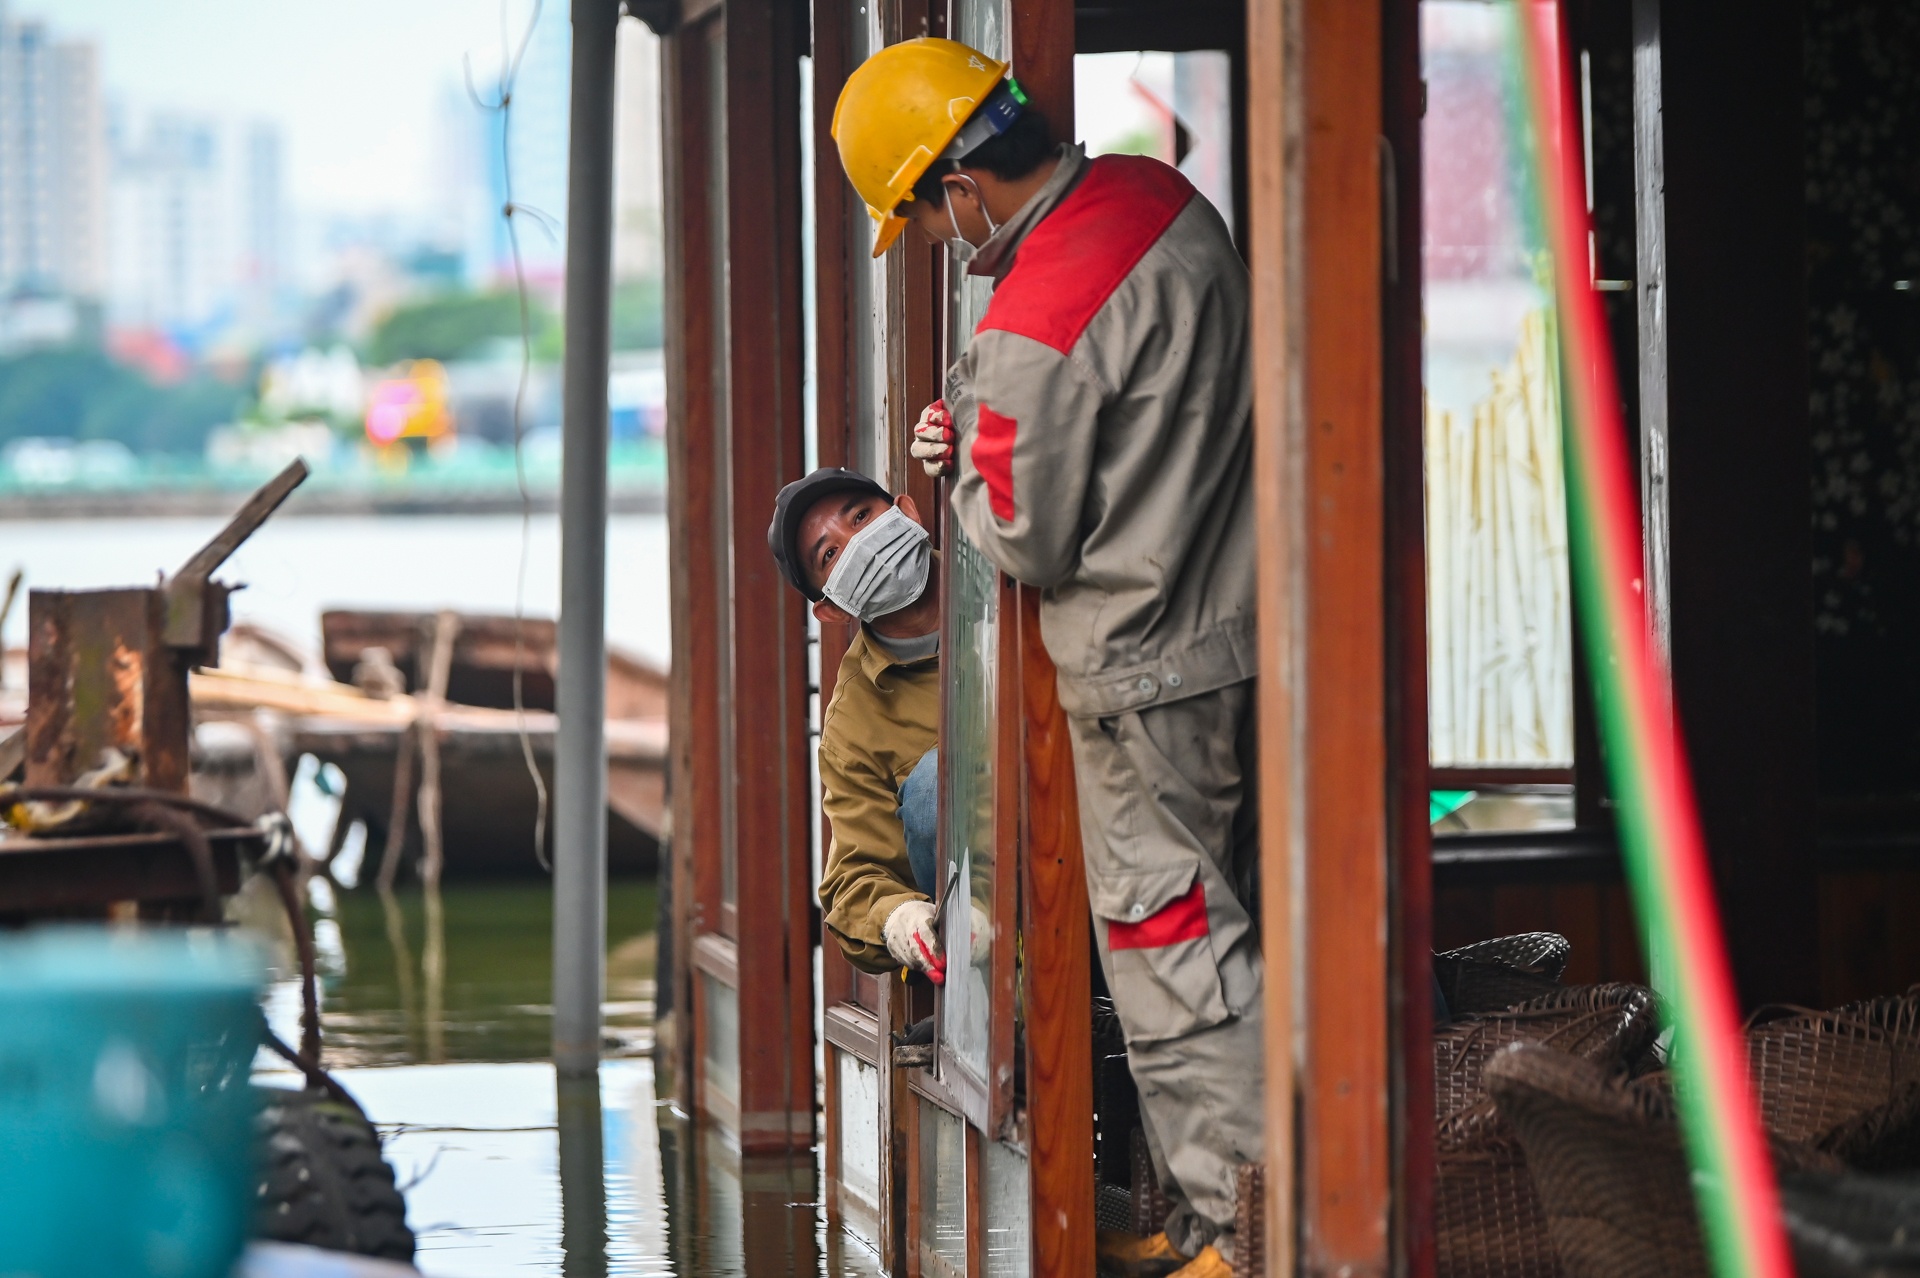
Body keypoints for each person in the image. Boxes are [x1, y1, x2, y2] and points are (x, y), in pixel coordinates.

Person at [833, 38, 1260, 1278]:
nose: (930, 238)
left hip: (1144, 666)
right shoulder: (1160, 198)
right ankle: (1214, 1217)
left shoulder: (1028, 320)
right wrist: (983, 423)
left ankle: (1245, 1239)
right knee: (1233, 927)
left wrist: (962, 453)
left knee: (1174, 948)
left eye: (919, 216)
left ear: (957, 186)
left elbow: (1023, 535)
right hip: (1237, 634)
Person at [767, 466, 947, 982]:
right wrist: (900, 919)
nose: (859, 544)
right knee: (938, 781)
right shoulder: (854, 721)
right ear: (831, 609)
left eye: (862, 516)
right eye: (830, 554)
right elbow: (852, 881)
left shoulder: (1004, 573)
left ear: (907, 512)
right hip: (1003, 945)